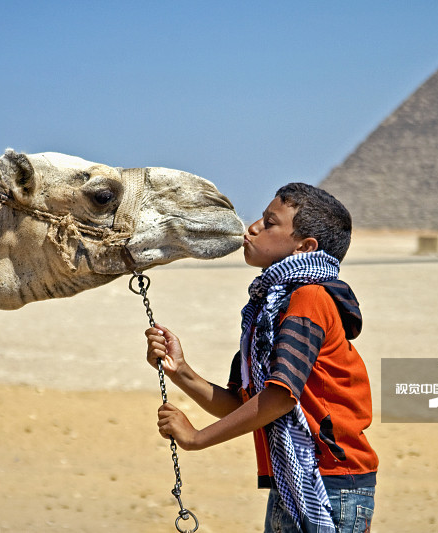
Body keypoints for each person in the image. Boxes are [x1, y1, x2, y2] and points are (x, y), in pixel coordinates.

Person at [144, 183, 378, 533]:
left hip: (330, 483)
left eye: (269, 223)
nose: (252, 227)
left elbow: (279, 399)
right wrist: (180, 371)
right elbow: (243, 404)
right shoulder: (265, 311)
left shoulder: (309, 299)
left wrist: (196, 439)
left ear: (305, 247)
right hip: (293, 480)